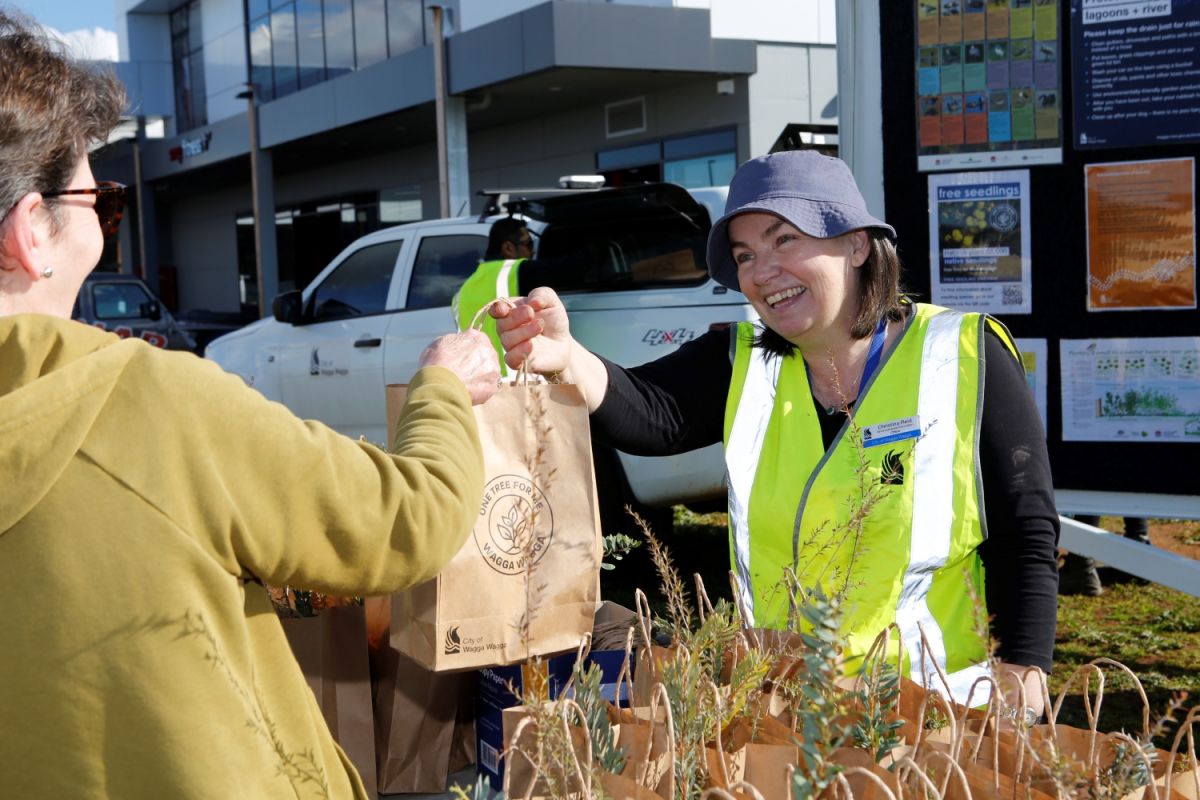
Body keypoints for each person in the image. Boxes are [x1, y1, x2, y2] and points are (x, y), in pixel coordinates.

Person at [0, 12, 498, 798]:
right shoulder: (148, 404)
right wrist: (443, 387)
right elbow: (408, 519)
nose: (106, 221)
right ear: (33, 231)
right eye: (103, 198)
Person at [492, 149, 1060, 717]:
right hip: (786, 705)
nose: (762, 272)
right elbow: (650, 415)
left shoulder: (962, 354)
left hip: (937, 709)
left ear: (857, 244)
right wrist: (565, 357)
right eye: (745, 255)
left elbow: (1024, 531)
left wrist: (1023, 673)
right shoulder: (741, 361)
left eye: (785, 240)